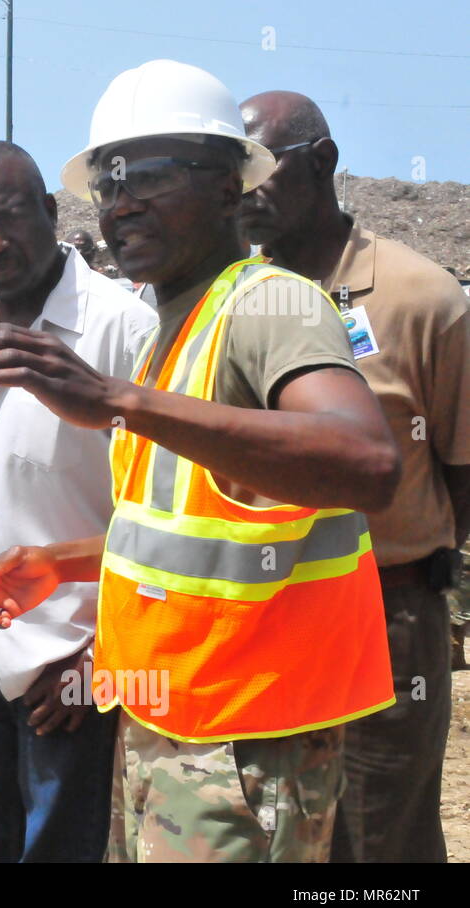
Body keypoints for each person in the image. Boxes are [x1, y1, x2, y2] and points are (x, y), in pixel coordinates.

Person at [0, 60, 399, 863]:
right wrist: (62, 564)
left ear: (230, 187)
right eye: (108, 184)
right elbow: (196, 526)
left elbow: (365, 460)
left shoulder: (269, 303)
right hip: (173, 732)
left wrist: (120, 402)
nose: (121, 204)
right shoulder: (173, 332)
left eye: (147, 177)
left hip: (247, 748)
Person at [240, 91, 470, 863]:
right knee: (286, 833)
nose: (248, 190)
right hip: (265, 621)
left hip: (387, 619)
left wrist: (412, 562)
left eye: (266, 168)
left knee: (381, 840)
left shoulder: (420, 298)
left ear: (325, 163)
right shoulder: (235, 298)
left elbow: (461, 469)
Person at [0, 141, 157, 862]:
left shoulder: (121, 326)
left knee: (61, 846)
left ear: (51, 211)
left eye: (9, 218)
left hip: (73, 667)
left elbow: (153, 513)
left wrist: (98, 654)